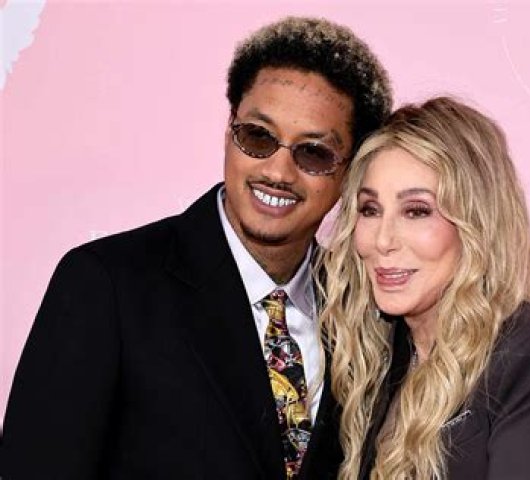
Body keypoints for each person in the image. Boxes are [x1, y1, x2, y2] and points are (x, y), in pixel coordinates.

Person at [1, 16, 392, 480]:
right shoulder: (106, 285)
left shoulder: (366, 312)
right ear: (229, 133)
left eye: (313, 152)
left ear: (350, 170)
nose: (277, 172)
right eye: (258, 136)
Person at [320, 96, 530, 479]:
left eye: (416, 211)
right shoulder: (376, 356)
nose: (382, 240)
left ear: (477, 223)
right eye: (370, 210)